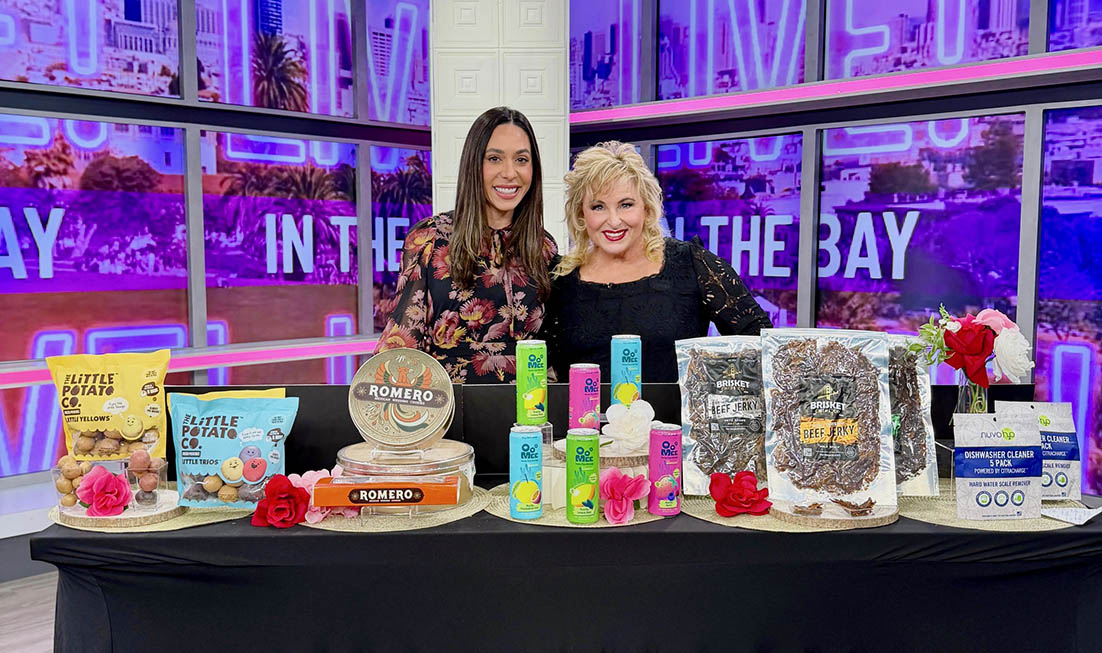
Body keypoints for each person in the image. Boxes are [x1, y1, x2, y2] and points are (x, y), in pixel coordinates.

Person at [542, 141, 772, 383]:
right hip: (582, 421)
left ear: (646, 208)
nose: (614, 220)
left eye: (626, 205)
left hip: (673, 421)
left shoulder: (691, 265)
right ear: (581, 214)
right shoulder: (559, 280)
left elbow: (765, 347)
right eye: (598, 207)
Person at [374, 107, 557, 383]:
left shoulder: (544, 248)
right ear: (474, 164)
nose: (510, 173)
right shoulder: (429, 239)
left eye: (521, 159)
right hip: (448, 415)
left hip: (529, 414)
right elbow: (403, 340)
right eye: (494, 158)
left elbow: (554, 348)